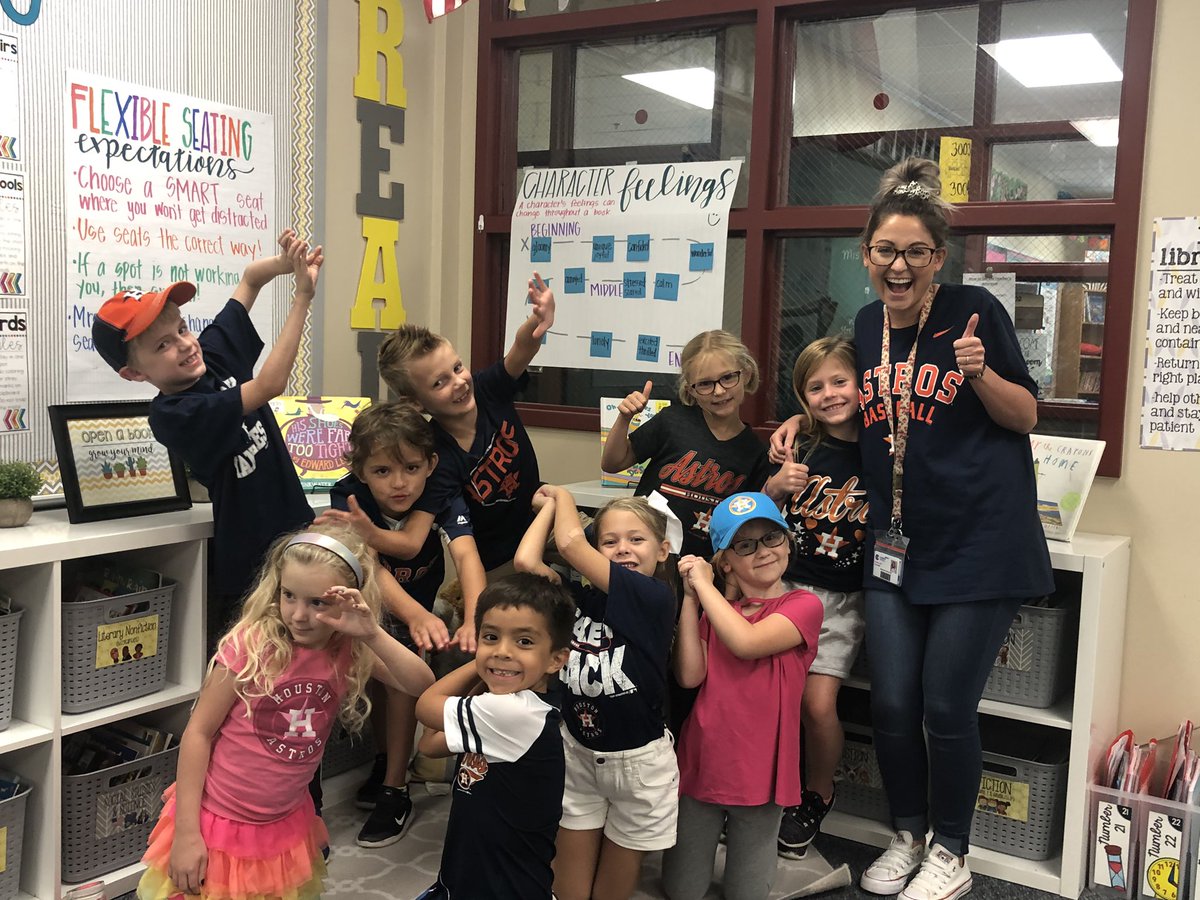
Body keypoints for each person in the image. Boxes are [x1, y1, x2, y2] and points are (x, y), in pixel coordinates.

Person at [773, 158, 1053, 899]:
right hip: (895, 544)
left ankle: (952, 852)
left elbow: (1025, 417)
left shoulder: (973, 315)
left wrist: (979, 373)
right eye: (885, 252)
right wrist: (798, 422)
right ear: (866, 254)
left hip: (981, 544)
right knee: (892, 703)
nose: (899, 267)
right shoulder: (866, 325)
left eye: (916, 253)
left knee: (944, 707)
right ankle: (908, 833)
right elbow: (841, 396)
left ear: (938, 258)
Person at [135, 525, 435, 900]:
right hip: (216, 822)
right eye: (288, 596)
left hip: (284, 824)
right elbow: (198, 733)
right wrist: (187, 833)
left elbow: (422, 686)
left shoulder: (348, 648)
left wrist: (371, 633)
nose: (298, 614)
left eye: (317, 602)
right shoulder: (251, 644)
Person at [92, 229, 322, 641]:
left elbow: (250, 279)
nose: (184, 345)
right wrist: (302, 297)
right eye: (163, 344)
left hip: (296, 535)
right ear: (135, 373)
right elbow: (269, 384)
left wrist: (287, 265)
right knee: (256, 670)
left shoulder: (209, 358)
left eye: (182, 328)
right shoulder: (174, 413)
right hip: (252, 569)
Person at [318, 401, 487, 847]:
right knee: (377, 684)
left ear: (430, 464)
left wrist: (473, 617)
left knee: (398, 683)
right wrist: (415, 613)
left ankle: (396, 787)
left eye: (411, 468)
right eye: (382, 471)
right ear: (359, 469)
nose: (399, 483)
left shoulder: (439, 494)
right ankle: (384, 761)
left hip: (412, 612)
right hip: (363, 606)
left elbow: (466, 554)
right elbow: (371, 565)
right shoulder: (347, 498)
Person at [515, 486, 677, 900]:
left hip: (637, 765)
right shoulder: (580, 599)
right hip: (578, 752)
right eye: (610, 541)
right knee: (568, 890)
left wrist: (563, 496)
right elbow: (526, 561)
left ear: (663, 551)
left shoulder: (654, 597)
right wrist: (551, 507)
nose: (623, 548)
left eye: (635, 539)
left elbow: (570, 543)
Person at [661, 492, 823, 900]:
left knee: (745, 893)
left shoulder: (803, 605)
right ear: (726, 561)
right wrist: (691, 598)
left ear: (787, 542)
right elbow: (689, 676)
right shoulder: (714, 610)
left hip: (762, 772)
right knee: (681, 890)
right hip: (705, 761)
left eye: (772, 538)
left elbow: (747, 642)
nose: (764, 551)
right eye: (745, 545)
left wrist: (704, 584)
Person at [374, 273, 555, 589]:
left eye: (457, 368)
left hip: (541, 521)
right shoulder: (437, 458)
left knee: (609, 541)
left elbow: (520, 350)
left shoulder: (488, 390)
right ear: (416, 402)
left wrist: (537, 321)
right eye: (439, 382)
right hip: (498, 561)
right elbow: (425, 538)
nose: (458, 382)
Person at [414, 573, 575, 900]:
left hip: (503, 887)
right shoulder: (497, 710)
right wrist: (488, 677)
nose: (502, 651)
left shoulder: (514, 714)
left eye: (524, 642)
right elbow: (429, 744)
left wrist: (479, 661)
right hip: (471, 873)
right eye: (491, 637)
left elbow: (425, 707)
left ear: (557, 659)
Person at [771, 335, 868, 861]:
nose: (829, 394)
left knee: (817, 703)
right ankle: (764, 792)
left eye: (840, 381)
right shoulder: (799, 447)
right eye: (815, 387)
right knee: (770, 698)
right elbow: (758, 516)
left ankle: (818, 791)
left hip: (845, 602)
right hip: (786, 589)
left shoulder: (880, 446)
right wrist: (776, 488)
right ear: (801, 396)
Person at [600, 329, 779, 560]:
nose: (719, 391)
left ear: (745, 374)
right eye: (705, 384)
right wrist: (624, 419)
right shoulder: (672, 421)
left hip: (701, 566)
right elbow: (613, 463)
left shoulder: (756, 453)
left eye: (727, 377)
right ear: (690, 389)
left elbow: (743, 526)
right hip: (643, 556)